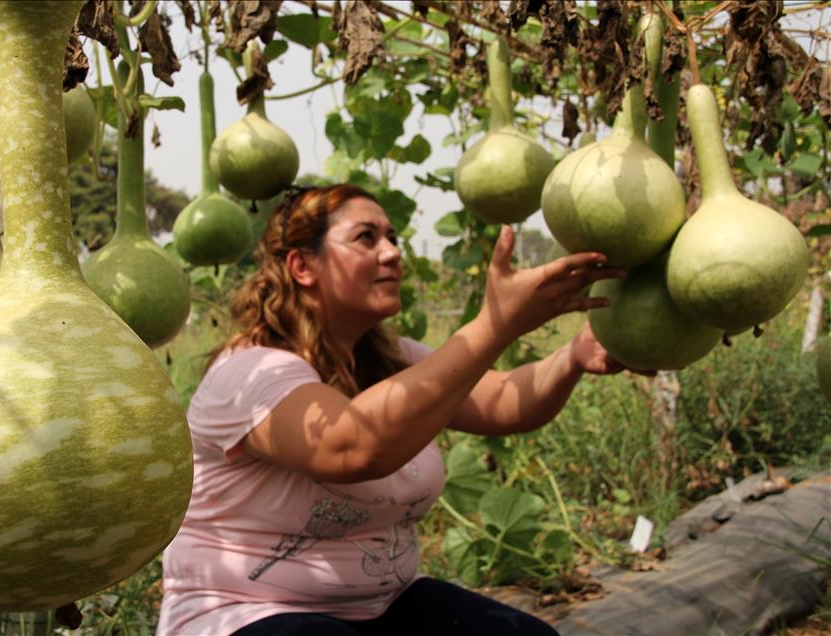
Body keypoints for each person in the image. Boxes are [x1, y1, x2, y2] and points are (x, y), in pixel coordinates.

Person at [157, 183, 639, 636]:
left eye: (392, 237)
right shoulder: (249, 372)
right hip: (240, 612)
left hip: (380, 606)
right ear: (303, 267)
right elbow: (352, 447)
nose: (392, 253)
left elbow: (502, 403)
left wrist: (572, 357)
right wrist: (494, 325)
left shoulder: (391, 359)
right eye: (366, 238)